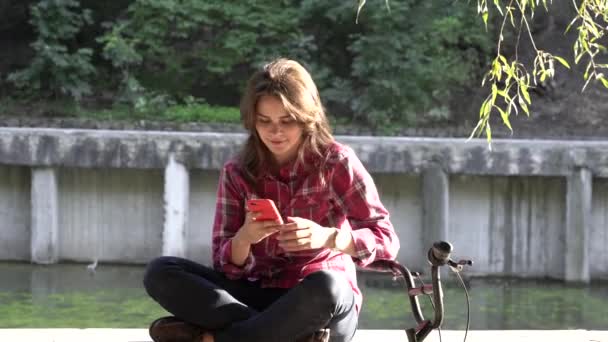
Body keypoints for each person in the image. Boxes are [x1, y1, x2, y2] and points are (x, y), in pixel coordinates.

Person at [143, 58, 400, 342]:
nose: (275, 132)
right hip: (258, 295)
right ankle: (283, 336)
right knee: (161, 272)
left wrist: (328, 237)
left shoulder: (336, 162)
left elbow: (387, 241)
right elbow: (224, 265)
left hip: (316, 300)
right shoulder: (237, 172)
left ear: (307, 118)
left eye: (287, 121)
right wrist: (245, 238)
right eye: (264, 122)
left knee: (329, 287)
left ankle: (221, 338)